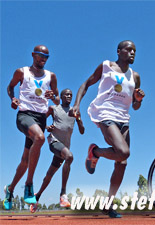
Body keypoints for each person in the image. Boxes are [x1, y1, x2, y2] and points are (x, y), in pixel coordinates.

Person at [70, 40, 145, 218]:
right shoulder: (106, 66)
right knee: (123, 152)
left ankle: (108, 204)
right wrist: (77, 104)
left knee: (122, 163)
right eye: (128, 49)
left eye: (135, 50)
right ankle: (95, 152)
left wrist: (138, 99)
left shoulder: (135, 76)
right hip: (105, 113)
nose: (132, 52)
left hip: (124, 119)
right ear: (119, 51)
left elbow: (135, 107)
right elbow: (86, 84)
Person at [4, 45, 59, 210]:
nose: (43, 59)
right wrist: (13, 99)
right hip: (24, 116)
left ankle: (10, 188)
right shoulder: (21, 72)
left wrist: (53, 96)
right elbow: (10, 86)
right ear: (33, 55)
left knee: (25, 160)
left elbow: (56, 101)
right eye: (41, 55)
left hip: (41, 118)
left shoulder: (51, 76)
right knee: (40, 138)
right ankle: (29, 184)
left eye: (46, 57)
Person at [30, 88, 85, 213]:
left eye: (71, 95)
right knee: (70, 157)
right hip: (54, 142)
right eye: (66, 94)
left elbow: (82, 131)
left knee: (49, 174)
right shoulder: (54, 109)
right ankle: (63, 194)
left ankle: (36, 197)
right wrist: (46, 127)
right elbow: (40, 120)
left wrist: (79, 119)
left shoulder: (74, 111)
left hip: (64, 147)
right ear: (61, 96)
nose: (69, 96)